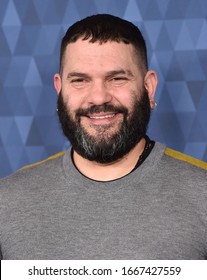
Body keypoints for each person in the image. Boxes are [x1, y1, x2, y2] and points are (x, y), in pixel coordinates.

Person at [0, 14, 206, 260]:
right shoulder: (7, 200)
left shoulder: (201, 193)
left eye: (117, 78)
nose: (98, 98)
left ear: (148, 87)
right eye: (79, 80)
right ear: (60, 90)